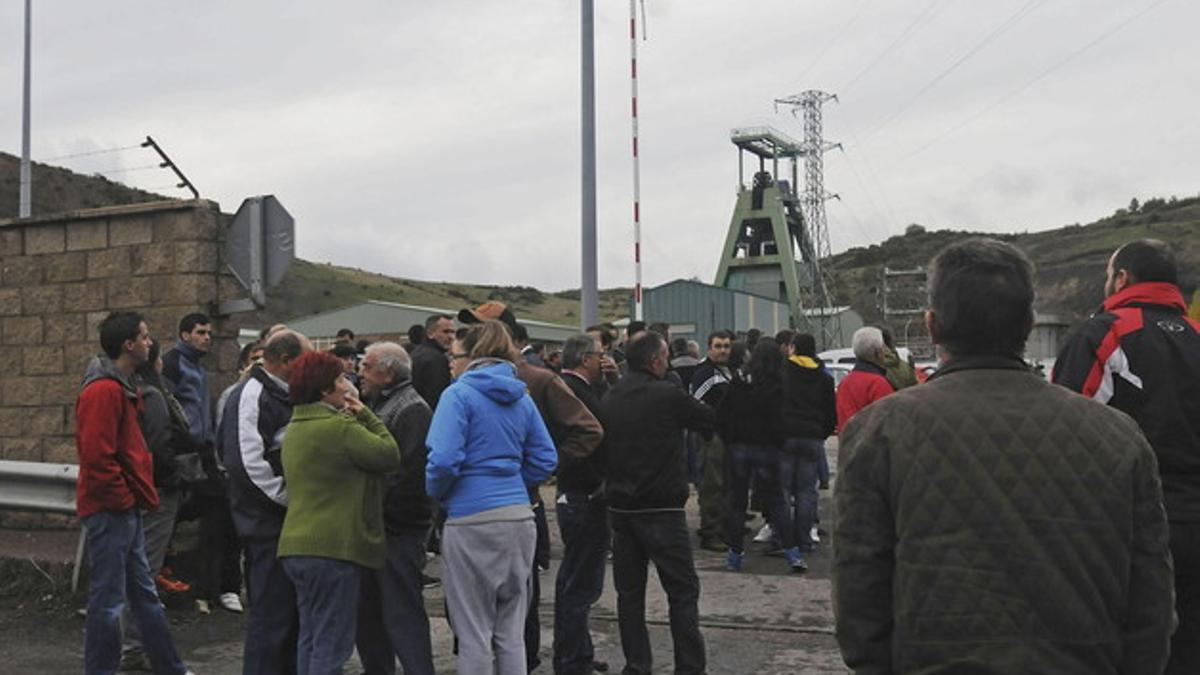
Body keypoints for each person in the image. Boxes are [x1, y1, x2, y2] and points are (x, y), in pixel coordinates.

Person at [834, 238, 1175, 673]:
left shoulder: (877, 431)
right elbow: (1152, 603)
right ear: (1028, 324)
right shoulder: (1121, 436)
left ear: (932, 326)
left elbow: (859, 592)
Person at [1053, 238, 1200, 674]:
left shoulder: (1103, 335)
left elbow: (1064, 434)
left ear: (1121, 278)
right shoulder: (1196, 336)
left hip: (1129, 529)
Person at [460, 302, 603, 670]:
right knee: (475, 605)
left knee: (517, 602)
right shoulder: (462, 382)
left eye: (478, 329)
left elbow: (588, 430)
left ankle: (525, 662)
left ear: (503, 335)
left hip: (521, 505)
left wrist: (543, 469)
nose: (468, 338)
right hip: (472, 509)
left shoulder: (537, 380)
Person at [426, 321, 558, 674]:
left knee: (473, 631)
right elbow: (546, 458)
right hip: (519, 516)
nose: (450, 364)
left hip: (470, 519)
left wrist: (441, 495)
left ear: (471, 357)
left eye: (453, 357)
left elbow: (441, 461)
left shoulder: (457, 395)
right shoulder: (522, 396)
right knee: (511, 630)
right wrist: (514, 482)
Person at [75, 312, 192, 675]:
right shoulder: (104, 391)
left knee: (144, 597)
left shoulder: (120, 387)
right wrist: (125, 499)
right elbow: (98, 457)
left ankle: (170, 666)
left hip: (124, 509)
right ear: (128, 345)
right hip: (112, 511)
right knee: (109, 602)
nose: (148, 342)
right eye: (143, 336)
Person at [277, 350, 401, 674]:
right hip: (334, 549)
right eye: (341, 378)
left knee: (311, 637)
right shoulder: (340, 429)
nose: (348, 383)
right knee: (332, 646)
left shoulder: (295, 428)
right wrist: (366, 415)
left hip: (295, 546)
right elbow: (389, 454)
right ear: (324, 390)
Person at [602, 332, 715, 675]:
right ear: (655, 361)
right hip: (662, 508)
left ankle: (637, 664)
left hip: (621, 508)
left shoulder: (610, 395)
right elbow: (706, 419)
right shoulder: (668, 393)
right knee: (682, 591)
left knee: (629, 594)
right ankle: (689, 667)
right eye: (664, 357)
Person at [219, 329, 311, 675]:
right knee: (272, 621)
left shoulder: (285, 394)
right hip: (267, 526)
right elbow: (245, 463)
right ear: (286, 361)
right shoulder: (251, 395)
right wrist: (289, 500)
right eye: (304, 360)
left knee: (291, 621)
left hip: (287, 524)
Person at [355, 342, 437, 675]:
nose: (360, 373)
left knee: (402, 614)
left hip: (397, 531)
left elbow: (409, 476)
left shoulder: (412, 409)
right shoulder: (375, 404)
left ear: (387, 373)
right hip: (376, 528)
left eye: (367, 366)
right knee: (369, 616)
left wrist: (384, 518)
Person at [120, 338, 199, 670]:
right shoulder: (153, 395)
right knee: (144, 573)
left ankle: (134, 646)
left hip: (146, 490)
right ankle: (135, 648)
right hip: (157, 491)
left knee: (140, 571)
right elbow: (158, 446)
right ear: (156, 362)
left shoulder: (138, 390)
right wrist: (172, 479)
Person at [163, 312, 244, 615]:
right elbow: (168, 408)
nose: (206, 337)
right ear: (185, 335)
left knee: (220, 512)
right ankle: (175, 584)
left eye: (208, 333)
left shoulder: (197, 366)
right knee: (175, 515)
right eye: (200, 332)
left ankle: (218, 587)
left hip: (204, 451)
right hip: (186, 452)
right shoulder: (174, 364)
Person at [719, 338, 803, 572]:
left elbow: (722, 414)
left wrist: (730, 439)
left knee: (736, 502)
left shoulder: (738, 381)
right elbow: (784, 419)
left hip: (738, 447)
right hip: (767, 447)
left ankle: (735, 555)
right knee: (777, 501)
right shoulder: (778, 385)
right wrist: (779, 441)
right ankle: (793, 553)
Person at [553, 334, 610, 675]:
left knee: (578, 581)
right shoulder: (572, 392)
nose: (604, 361)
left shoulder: (578, 388)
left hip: (580, 493)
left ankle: (577, 652)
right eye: (600, 356)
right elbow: (586, 438)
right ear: (585, 358)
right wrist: (597, 479)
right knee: (579, 583)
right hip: (583, 495)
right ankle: (572, 660)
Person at [779, 333, 836, 557]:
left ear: (793, 347)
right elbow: (830, 413)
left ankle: (784, 538)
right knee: (806, 490)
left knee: (782, 489)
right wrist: (820, 434)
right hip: (811, 437)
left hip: (785, 436)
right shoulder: (824, 378)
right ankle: (804, 539)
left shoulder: (782, 373)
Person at [690, 330, 733, 551]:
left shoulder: (728, 371)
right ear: (709, 348)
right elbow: (697, 406)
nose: (723, 350)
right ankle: (710, 532)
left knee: (724, 485)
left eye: (726, 346)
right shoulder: (704, 373)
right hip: (711, 438)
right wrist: (707, 432)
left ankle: (721, 528)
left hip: (726, 436)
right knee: (712, 487)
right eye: (718, 346)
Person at [835, 327, 894, 429]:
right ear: (879, 352)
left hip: (848, 442)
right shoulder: (878, 383)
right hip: (872, 442)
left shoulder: (844, 383)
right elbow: (887, 422)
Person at [410, 313, 456, 410]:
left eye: (453, 332)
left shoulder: (416, 353)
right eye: (446, 332)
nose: (451, 337)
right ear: (430, 333)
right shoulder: (436, 360)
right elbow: (437, 398)